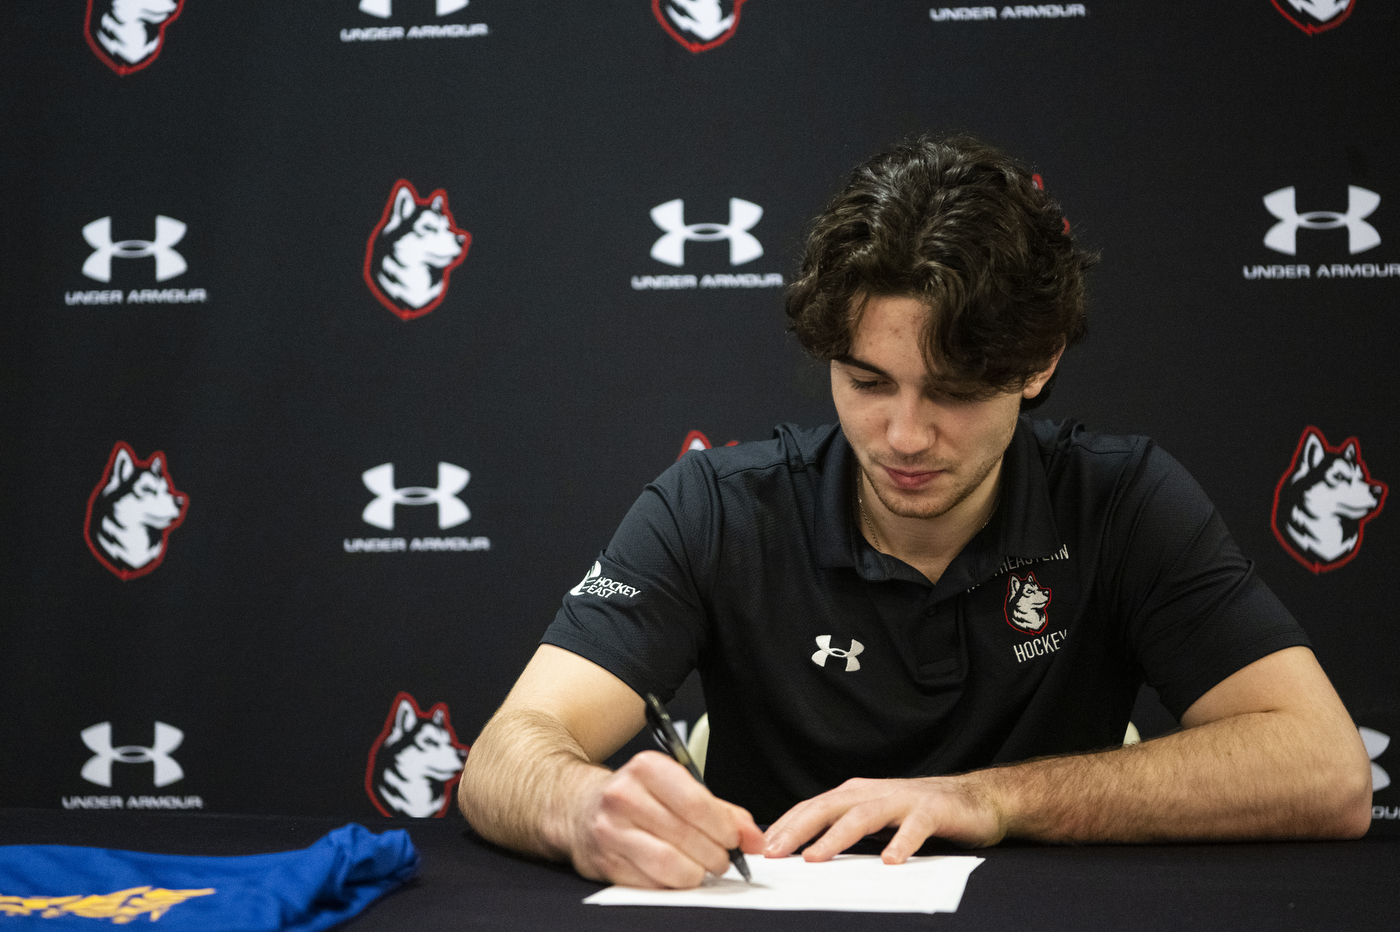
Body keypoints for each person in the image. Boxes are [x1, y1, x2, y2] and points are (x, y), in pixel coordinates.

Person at [458, 136, 1372, 890]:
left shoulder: (1119, 501)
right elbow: (506, 755)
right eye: (866, 382)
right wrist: (580, 808)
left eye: (955, 391)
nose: (902, 435)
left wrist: (993, 799)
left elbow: (1329, 773)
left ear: (1039, 364)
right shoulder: (717, 508)